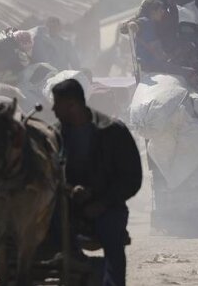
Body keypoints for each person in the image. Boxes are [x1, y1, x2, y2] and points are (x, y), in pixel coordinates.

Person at [51, 79, 142, 286]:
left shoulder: (113, 131)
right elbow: (48, 175)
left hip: (107, 206)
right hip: (68, 206)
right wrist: (70, 190)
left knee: (113, 240)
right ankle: (85, 268)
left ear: (72, 104)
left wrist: (102, 202)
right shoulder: (54, 135)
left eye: (57, 103)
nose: (53, 109)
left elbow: (132, 178)